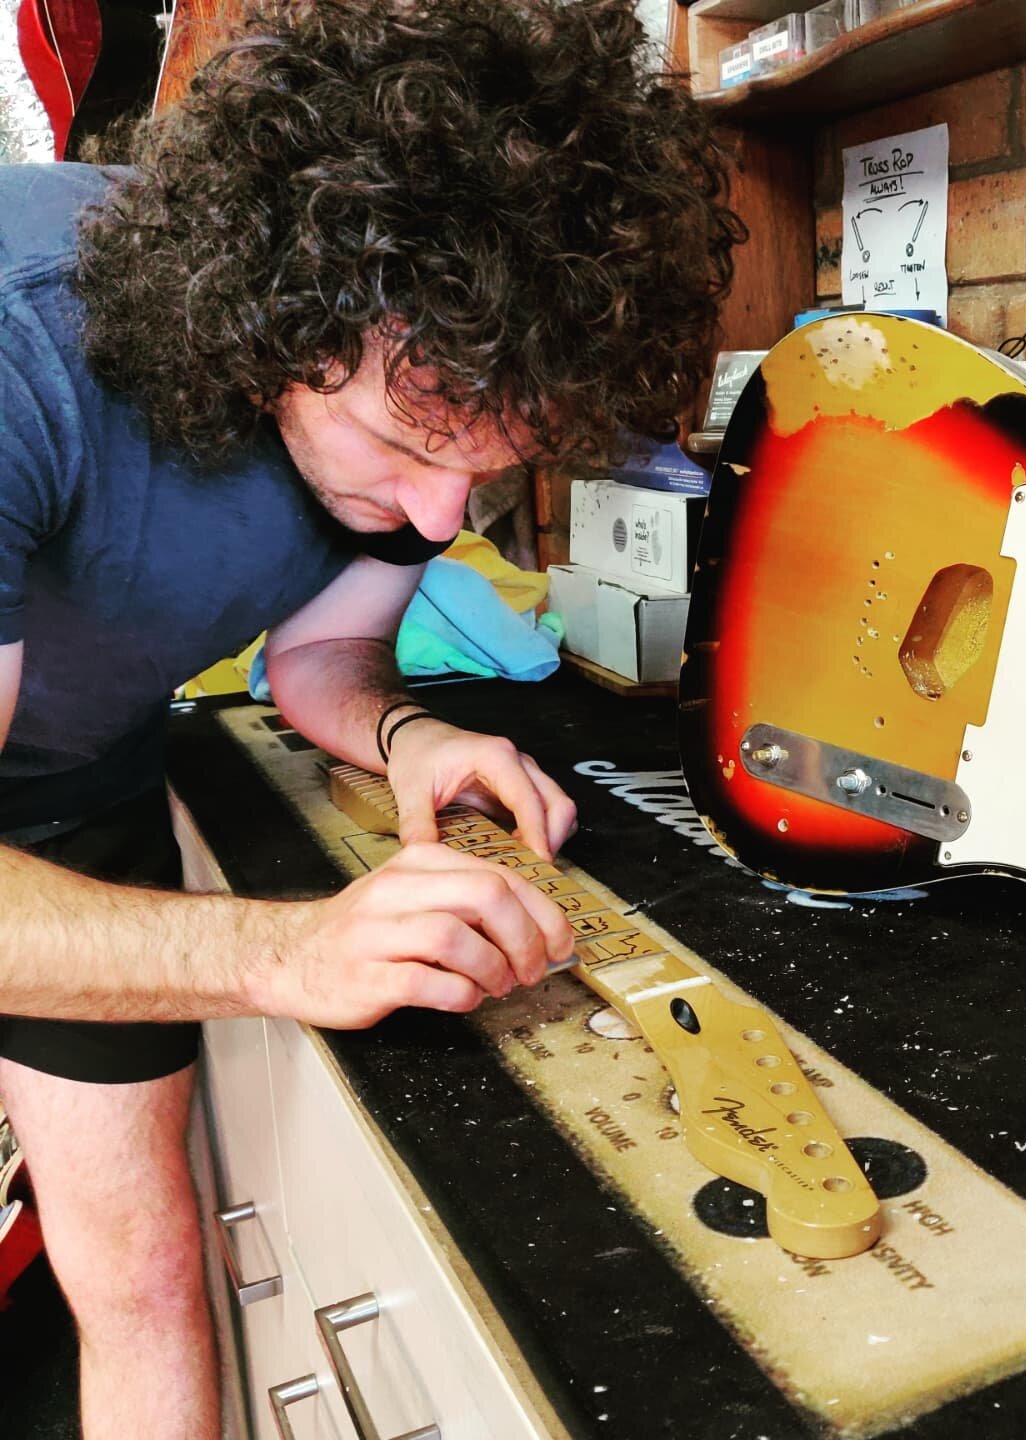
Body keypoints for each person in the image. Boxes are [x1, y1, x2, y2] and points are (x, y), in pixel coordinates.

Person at [0, 0, 742, 1432]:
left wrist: (413, 736)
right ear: (267, 328)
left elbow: (322, 660)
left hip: (72, 779)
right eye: (406, 453)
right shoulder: (22, 356)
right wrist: (289, 951)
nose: (442, 518)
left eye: (495, 471)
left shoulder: (441, 383)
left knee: (148, 1279)